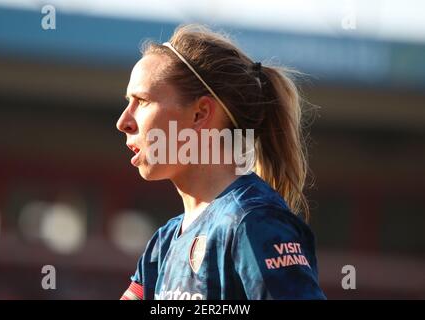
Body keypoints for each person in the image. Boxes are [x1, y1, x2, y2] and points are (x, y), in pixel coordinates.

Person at [116, 24, 325, 300]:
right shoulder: (163, 243)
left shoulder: (253, 221)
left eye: (141, 101)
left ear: (200, 113)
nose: (123, 122)